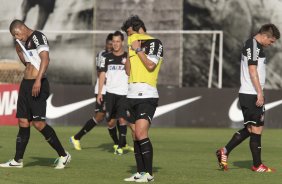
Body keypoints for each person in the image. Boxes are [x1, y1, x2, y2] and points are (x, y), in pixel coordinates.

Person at [0, 19, 71, 169]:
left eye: (16, 35)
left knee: (38, 123)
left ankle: (63, 155)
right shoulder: (23, 42)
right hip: (25, 84)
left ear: (21, 30)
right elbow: (27, 62)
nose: (17, 38)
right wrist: (18, 49)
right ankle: (17, 160)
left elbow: (46, 59)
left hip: (38, 84)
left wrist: (38, 80)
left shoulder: (38, 36)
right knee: (23, 121)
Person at [216, 24, 280, 172]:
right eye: (271, 41)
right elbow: (252, 71)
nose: (271, 44)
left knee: (251, 129)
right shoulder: (253, 45)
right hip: (251, 93)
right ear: (264, 36)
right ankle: (257, 165)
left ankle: (224, 151)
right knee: (256, 129)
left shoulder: (256, 46)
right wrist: (259, 92)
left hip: (250, 93)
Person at [121, 15, 163, 182]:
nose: (128, 37)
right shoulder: (132, 44)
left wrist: (138, 50)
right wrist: (131, 51)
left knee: (141, 132)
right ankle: (139, 172)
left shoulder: (155, 43)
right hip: (130, 94)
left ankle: (149, 174)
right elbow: (127, 71)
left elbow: (151, 66)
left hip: (147, 94)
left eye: (130, 33)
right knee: (134, 135)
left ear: (139, 29)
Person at [70, 33, 113, 151]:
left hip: (113, 90)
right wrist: (113, 80)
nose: (111, 46)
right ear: (106, 43)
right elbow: (100, 72)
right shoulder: (102, 54)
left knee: (114, 116)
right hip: (103, 90)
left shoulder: (116, 55)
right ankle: (76, 137)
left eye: (112, 44)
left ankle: (120, 144)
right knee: (100, 117)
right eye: (109, 44)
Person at [97, 30, 133, 155]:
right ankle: (117, 143)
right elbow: (102, 74)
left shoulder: (128, 56)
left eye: (118, 41)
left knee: (123, 120)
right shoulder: (106, 57)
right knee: (111, 122)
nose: (116, 44)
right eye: (114, 42)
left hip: (123, 93)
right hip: (110, 93)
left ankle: (120, 147)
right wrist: (101, 92)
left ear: (122, 42)